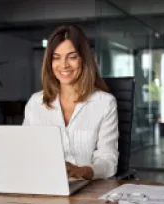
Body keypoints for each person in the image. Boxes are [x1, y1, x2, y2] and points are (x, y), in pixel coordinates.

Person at [23, 25, 119, 180]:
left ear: (83, 59)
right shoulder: (35, 103)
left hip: (86, 190)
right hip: (43, 185)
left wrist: (84, 171)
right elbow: (24, 152)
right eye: (56, 57)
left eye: (72, 57)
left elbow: (108, 160)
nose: (64, 65)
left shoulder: (104, 103)